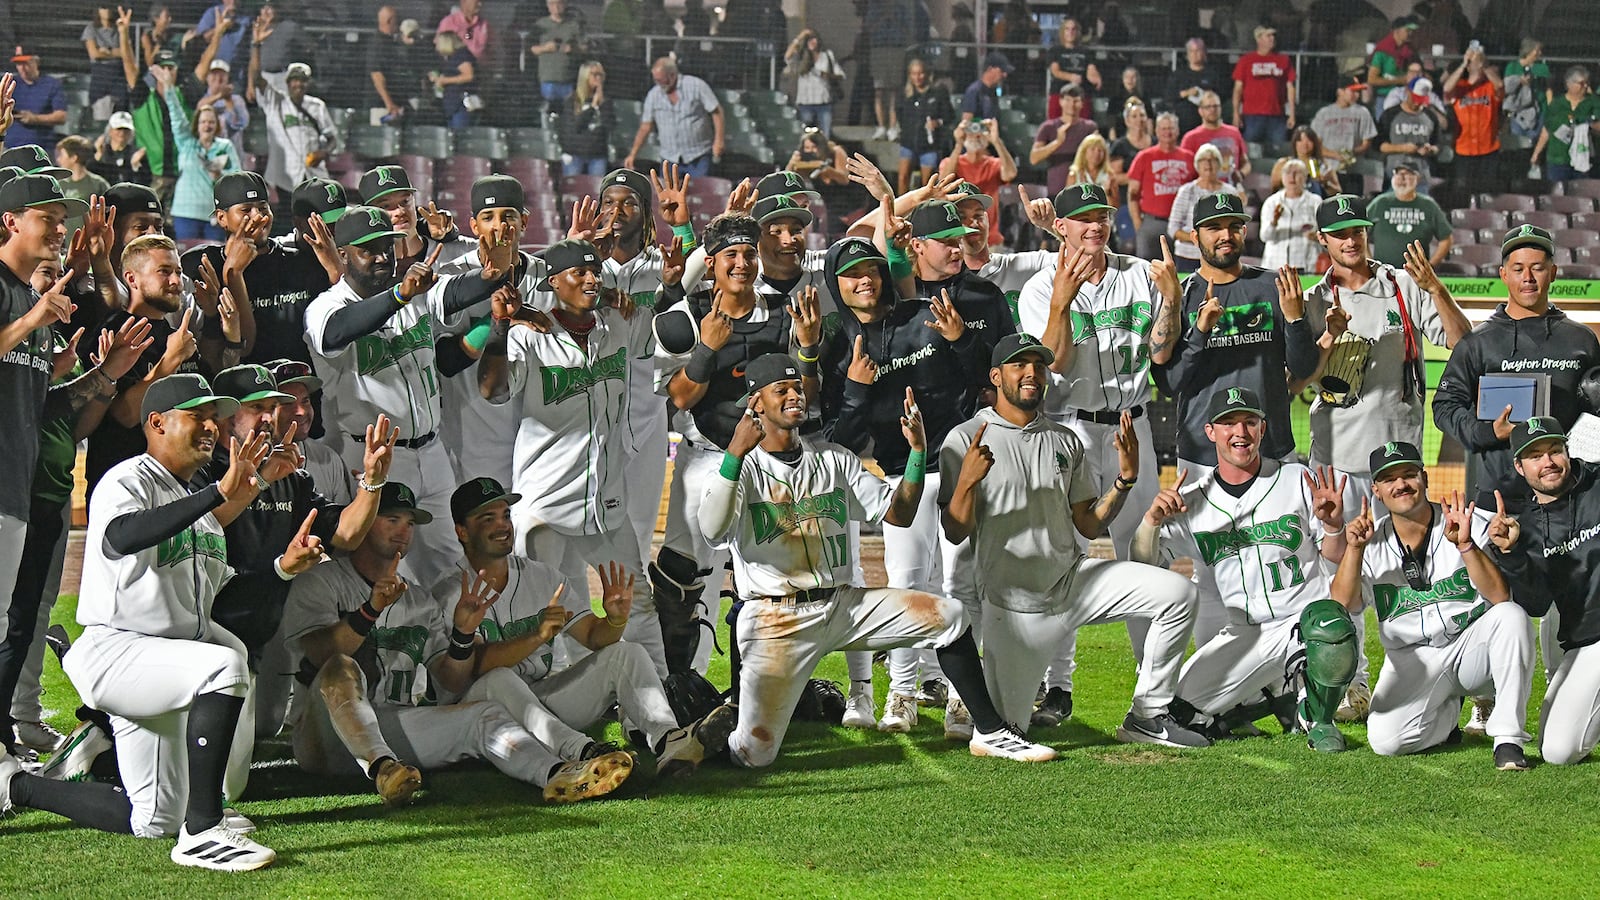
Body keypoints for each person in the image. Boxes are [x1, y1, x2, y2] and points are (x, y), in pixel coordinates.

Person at [696, 352, 1057, 766]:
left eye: (798, 389)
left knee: (951, 617)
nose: (795, 396)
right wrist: (734, 455)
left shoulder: (833, 459)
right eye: (782, 390)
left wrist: (918, 454)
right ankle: (706, 733)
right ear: (755, 404)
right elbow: (713, 529)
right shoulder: (738, 469)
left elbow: (899, 514)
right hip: (775, 618)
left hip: (843, 604)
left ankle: (992, 732)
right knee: (754, 755)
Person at [0, 373, 298, 869]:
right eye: (196, 415)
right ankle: (204, 829)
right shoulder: (128, 478)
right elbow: (121, 536)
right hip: (121, 651)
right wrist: (215, 494)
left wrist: (263, 494)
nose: (210, 426)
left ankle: (15, 785)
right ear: (156, 422)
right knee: (224, 664)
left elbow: (205, 532)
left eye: (213, 417)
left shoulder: (187, 493)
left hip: (158, 662)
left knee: (154, 818)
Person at [281, 480, 636, 804]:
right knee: (342, 666)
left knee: (485, 716)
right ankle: (382, 767)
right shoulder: (322, 582)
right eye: (391, 519)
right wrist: (369, 611)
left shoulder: (419, 599)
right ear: (364, 521)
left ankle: (557, 773)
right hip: (324, 738)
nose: (403, 531)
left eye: (409, 523)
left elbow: (451, 679)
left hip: (391, 726)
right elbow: (324, 655)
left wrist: (463, 634)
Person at [941, 333, 1207, 747]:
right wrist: (968, 482)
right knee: (1006, 733)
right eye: (1019, 365)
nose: (1032, 373)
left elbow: (1087, 524)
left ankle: (1148, 715)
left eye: (1039, 365)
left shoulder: (1065, 441)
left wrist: (1124, 481)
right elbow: (954, 530)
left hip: (1073, 583)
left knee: (1177, 594)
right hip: (1015, 610)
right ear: (996, 376)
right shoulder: (964, 439)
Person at [1012, 185, 1184, 715]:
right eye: (1082, 219)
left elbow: (1163, 349)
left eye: (1102, 216)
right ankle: (1056, 686)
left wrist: (1173, 303)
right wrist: (1063, 301)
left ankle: (1153, 684)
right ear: (1059, 227)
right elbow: (1053, 365)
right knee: (1064, 557)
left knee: (1148, 552)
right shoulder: (1040, 288)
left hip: (1134, 427)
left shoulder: (1140, 274)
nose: (1095, 226)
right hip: (1070, 430)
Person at [428, 477, 705, 775]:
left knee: (627, 653)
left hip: (541, 706)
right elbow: (476, 668)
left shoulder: (543, 577)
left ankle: (668, 739)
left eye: (505, 515)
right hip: (482, 717)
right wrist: (537, 636)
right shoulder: (449, 592)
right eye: (488, 519)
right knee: (500, 679)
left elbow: (594, 637)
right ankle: (583, 751)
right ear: (462, 531)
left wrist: (614, 619)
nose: (502, 525)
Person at [475, 237, 662, 671]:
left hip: (606, 501)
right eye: (579, 273)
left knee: (637, 601)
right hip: (545, 502)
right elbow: (493, 390)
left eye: (595, 271)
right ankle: (537, 698)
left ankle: (662, 696)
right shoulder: (530, 334)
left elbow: (666, 328)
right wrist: (502, 328)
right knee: (537, 609)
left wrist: (662, 286)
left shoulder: (617, 323)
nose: (591, 279)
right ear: (554, 282)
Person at [1135, 387, 1357, 752]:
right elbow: (1145, 567)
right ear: (1211, 432)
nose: (1240, 432)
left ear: (1262, 428)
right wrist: (1150, 522)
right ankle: (1267, 698)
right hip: (1245, 634)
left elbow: (1334, 556)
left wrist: (1333, 525)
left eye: (1249, 422)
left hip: (1303, 624)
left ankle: (1317, 718)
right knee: (1179, 713)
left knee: (1329, 622)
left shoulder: (1296, 478)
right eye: (1228, 424)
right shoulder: (1192, 501)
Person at [304, 206, 510, 586]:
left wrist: (493, 271)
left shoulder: (415, 293)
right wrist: (398, 295)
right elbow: (336, 332)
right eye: (370, 250)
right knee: (380, 565)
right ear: (344, 253)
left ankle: (449, 641)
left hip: (433, 454)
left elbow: (464, 290)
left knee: (451, 565)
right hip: (377, 458)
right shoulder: (326, 306)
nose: (383, 256)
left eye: (388, 246)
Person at [1332, 443, 1534, 770]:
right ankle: (1447, 716)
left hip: (1472, 647)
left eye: (1409, 474)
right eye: (1389, 479)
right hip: (1411, 658)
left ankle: (1508, 739)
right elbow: (1343, 604)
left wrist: (1466, 545)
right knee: (1387, 742)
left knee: (1512, 618)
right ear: (1377, 490)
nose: (1401, 485)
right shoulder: (1371, 544)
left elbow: (1499, 597)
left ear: (1424, 478)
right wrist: (1353, 550)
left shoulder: (1466, 521)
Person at [1433, 225, 1600, 509]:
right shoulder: (1478, 343)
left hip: (1571, 497)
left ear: (1554, 272)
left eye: (1538, 268)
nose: (1528, 278)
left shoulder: (1581, 339)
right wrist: (1487, 433)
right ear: (1503, 274)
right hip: (1499, 500)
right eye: (1519, 268)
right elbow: (1445, 407)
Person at [1153, 195, 1318, 473]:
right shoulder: (1180, 296)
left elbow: (1303, 368)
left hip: (1271, 449)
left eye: (1233, 226)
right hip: (1202, 458)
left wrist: (1295, 318)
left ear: (1244, 232)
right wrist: (1200, 331)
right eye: (1214, 227)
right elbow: (1170, 383)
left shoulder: (1273, 286)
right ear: (1194, 237)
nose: (1225, 235)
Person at [1489, 418, 1600, 765]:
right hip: (1587, 640)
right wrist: (1512, 554)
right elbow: (1536, 605)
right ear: (1520, 467)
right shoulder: (1527, 527)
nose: (1548, 461)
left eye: (1555, 450)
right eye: (1535, 456)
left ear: (1568, 451)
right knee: (1557, 750)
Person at [249, 49, 339, 208]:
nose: (298, 84)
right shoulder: (276, 102)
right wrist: (256, 45)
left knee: (315, 218)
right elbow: (257, 78)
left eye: (302, 80)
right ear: (288, 82)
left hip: (314, 174)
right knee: (289, 220)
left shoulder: (317, 106)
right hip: (286, 176)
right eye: (294, 80)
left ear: (308, 83)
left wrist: (324, 152)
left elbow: (332, 137)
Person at [624, 57, 724, 177]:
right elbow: (645, 126)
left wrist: (719, 140)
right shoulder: (653, 95)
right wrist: (633, 154)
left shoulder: (696, 86)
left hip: (698, 156)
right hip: (669, 159)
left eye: (661, 80)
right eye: (656, 80)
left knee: (702, 193)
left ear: (672, 75)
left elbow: (716, 111)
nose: (658, 83)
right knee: (667, 194)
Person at [165, 91, 240, 242]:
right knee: (187, 259)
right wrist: (168, 88)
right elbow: (177, 117)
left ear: (217, 125)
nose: (207, 125)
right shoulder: (186, 143)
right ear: (197, 125)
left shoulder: (225, 147)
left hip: (214, 215)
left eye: (211, 122)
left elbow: (237, 176)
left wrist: (220, 175)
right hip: (185, 214)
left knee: (214, 259)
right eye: (203, 122)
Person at [1126, 112, 1195, 260]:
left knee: (1180, 271)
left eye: (1171, 128)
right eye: (1163, 129)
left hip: (1182, 225)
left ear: (1177, 131)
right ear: (1156, 131)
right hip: (1152, 223)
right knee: (1147, 269)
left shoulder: (1190, 158)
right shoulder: (1144, 157)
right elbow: (1133, 194)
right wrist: (1138, 224)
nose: (1167, 132)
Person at [1168, 144, 1246, 274]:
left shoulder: (1230, 191)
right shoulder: (1187, 191)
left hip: (1221, 254)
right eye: (1203, 160)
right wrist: (1202, 240)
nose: (1208, 164)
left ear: (1220, 164)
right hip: (1188, 255)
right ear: (1197, 165)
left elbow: (1238, 223)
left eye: (1213, 160)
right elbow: (1173, 229)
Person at [939, 119, 1017, 248]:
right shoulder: (951, 162)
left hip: (990, 240)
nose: (976, 135)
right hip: (959, 239)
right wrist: (958, 143)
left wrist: (997, 141)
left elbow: (1010, 174)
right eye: (971, 130)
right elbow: (943, 181)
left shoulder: (993, 164)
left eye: (980, 131)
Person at [1365, 160, 1452, 268]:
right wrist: (1370, 264)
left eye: (1407, 174)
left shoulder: (1428, 205)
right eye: (1398, 174)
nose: (1402, 178)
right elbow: (1359, 232)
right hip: (1384, 275)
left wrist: (1431, 266)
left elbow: (1446, 238)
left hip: (1416, 276)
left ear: (1418, 179)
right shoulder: (1380, 202)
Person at [1443, 43, 1503, 197]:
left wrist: (1485, 66)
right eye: (1474, 62)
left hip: (1488, 148)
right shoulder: (1460, 86)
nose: (1477, 64)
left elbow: (1500, 85)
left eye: (1479, 61)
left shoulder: (1489, 87)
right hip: (1464, 148)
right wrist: (1464, 63)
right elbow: (1446, 89)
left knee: (1487, 193)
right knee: (1463, 192)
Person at [1531, 66, 1599, 183]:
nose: (1586, 86)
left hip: (1585, 159)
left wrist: (1587, 125)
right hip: (1558, 159)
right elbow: (1547, 129)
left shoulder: (1594, 102)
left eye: (1587, 83)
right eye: (1582, 83)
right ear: (1570, 84)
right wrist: (1536, 153)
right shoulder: (1557, 104)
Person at [1231, 25, 1296, 147]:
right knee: (1250, 150)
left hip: (1277, 116)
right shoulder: (1246, 60)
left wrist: (1292, 113)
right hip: (1252, 116)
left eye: (1273, 35)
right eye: (1268, 35)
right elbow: (1238, 89)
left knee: (1279, 150)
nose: (1272, 38)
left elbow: (1290, 87)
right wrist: (1236, 113)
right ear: (1259, 39)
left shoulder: (1284, 60)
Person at [1030, 85, 1099, 197]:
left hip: (1083, 191)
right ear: (1061, 101)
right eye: (1067, 100)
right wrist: (1057, 142)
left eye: (1076, 101)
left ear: (1082, 103)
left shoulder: (1090, 127)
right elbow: (1034, 158)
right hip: (1056, 192)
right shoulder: (1048, 127)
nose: (1072, 105)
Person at [895, 57, 951, 195]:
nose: (918, 77)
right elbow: (900, 115)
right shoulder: (905, 94)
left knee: (928, 184)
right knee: (902, 178)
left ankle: (925, 211)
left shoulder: (937, 93)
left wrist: (937, 123)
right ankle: (900, 210)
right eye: (914, 74)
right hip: (908, 143)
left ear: (926, 74)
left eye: (920, 73)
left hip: (929, 146)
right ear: (910, 75)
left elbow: (949, 116)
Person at [1378, 77, 1448, 185]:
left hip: (1422, 174)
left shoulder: (1430, 116)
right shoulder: (1390, 115)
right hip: (1394, 173)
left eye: (1421, 100)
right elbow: (1379, 145)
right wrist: (1402, 148)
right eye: (1415, 98)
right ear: (1407, 91)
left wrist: (1430, 149)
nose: (1417, 103)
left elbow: (1438, 144)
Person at [557, 61, 615, 177]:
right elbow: (576, 126)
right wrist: (592, 107)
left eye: (601, 75)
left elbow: (610, 126)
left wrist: (602, 103)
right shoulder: (572, 101)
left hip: (597, 154)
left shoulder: (606, 102)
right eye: (595, 74)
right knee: (573, 191)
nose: (598, 78)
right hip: (575, 154)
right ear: (585, 76)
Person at [1259, 161, 1320, 269]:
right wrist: (1274, 222)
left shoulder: (1315, 202)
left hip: (1306, 264)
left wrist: (1316, 237)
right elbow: (1264, 236)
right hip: (1275, 265)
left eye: (1297, 173)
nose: (1292, 176)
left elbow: (1325, 236)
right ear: (1282, 177)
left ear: (1305, 177)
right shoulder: (1272, 202)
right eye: (1287, 173)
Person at [784, 28, 843, 137]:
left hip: (823, 103)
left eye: (813, 39)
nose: (812, 42)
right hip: (806, 103)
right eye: (808, 40)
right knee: (807, 135)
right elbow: (787, 56)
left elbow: (840, 75)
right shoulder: (801, 56)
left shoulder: (827, 55)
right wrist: (800, 36)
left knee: (826, 135)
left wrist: (827, 75)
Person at [1180, 91, 1249, 184]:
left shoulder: (1234, 133)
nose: (1212, 110)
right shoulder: (1190, 138)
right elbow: (1183, 170)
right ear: (1200, 111)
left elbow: (1246, 163)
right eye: (1208, 107)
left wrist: (1241, 174)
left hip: (1231, 189)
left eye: (1216, 106)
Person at [6, 47, 65, 153]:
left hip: (41, 150)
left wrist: (35, 119)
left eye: (26, 63)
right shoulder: (9, 83)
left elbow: (61, 116)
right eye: (19, 64)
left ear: (36, 62)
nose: (22, 68)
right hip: (10, 148)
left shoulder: (51, 84)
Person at [1309, 75, 1377, 163]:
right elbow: (1315, 144)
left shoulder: (1362, 112)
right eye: (1353, 91)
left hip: (1354, 168)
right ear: (1340, 92)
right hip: (1328, 168)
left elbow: (1366, 143)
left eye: (1358, 91)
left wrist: (1351, 153)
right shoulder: (1324, 113)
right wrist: (1335, 155)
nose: (1357, 95)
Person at [530, 0, 585, 104]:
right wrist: (545, 48)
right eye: (552, 4)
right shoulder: (540, 25)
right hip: (548, 79)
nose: (556, 7)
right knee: (549, 112)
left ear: (565, 4)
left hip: (568, 79)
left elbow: (584, 47)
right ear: (547, 6)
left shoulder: (574, 25)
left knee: (568, 113)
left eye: (559, 3)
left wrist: (573, 49)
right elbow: (532, 49)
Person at [1046, 18, 1101, 121]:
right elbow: (1055, 71)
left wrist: (1095, 77)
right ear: (1063, 32)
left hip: (1081, 94)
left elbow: (1091, 68)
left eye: (1073, 29)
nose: (1070, 32)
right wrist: (1071, 77)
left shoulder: (1086, 51)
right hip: (1059, 93)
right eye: (1067, 29)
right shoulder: (1055, 51)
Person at [1169, 37, 1225, 136]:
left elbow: (1223, 94)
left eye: (1198, 50)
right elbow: (1168, 96)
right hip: (1184, 125)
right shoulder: (1178, 74)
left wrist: (1209, 95)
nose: (1195, 54)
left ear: (1204, 53)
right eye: (1192, 51)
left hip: (1208, 125)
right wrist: (1186, 93)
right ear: (1187, 54)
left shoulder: (1213, 73)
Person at [83, 6, 129, 120]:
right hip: (100, 76)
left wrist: (106, 50)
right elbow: (94, 54)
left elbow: (126, 53)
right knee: (101, 117)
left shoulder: (120, 28)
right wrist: (115, 52)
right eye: (103, 7)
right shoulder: (91, 29)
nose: (107, 10)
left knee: (121, 116)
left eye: (109, 7)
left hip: (118, 75)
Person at [1269, 126, 1341, 197]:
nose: (1305, 144)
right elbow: (1274, 187)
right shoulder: (1284, 163)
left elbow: (1338, 192)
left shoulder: (1324, 165)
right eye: (1300, 140)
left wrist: (1325, 184)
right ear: (1295, 143)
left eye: (1309, 140)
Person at [1502, 38, 1550, 142]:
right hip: (1518, 111)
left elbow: (1548, 89)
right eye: (1537, 50)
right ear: (1529, 50)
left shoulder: (1542, 68)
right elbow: (1506, 87)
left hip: (1538, 111)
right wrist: (1519, 80)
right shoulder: (1512, 66)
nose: (1540, 53)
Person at [429, 30, 478, 130]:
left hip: (461, 103)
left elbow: (469, 75)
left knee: (460, 133)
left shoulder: (461, 56)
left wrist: (445, 80)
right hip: (451, 103)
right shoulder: (451, 57)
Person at [1367, 16, 1421, 108]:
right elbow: (1372, 79)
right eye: (1407, 30)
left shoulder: (1410, 51)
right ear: (1397, 31)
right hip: (1384, 97)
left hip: (1406, 98)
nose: (1411, 33)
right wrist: (1399, 80)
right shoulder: (1382, 51)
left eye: (1412, 31)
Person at [194, 59, 248, 148]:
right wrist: (219, 95)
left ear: (228, 78)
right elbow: (199, 109)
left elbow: (240, 124)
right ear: (207, 77)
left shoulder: (237, 100)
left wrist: (228, 100)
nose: (218, 78)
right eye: (214, 74)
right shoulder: (202, 100)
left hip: (232, 153)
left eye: (222, 74)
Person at [92, 112, 147, 186]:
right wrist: (97, 158)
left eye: (126, 129)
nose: (122, 133)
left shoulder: (136, 154)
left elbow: (144, 183)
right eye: (119, 129)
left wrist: (135, 166)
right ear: (110, 131)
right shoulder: (101, 151)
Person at [960, 52, 1010, 127]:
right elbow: (966, 123)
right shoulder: (974, 91)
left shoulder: (993, 92)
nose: (1005, 75)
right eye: (1001, 71)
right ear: (990, 69)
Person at [1068, 133, 1117, 203]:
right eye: (1093, 149)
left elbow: (1115, 206)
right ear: (1084, 152)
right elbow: (1068, 203)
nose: (1097, 153)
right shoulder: (1074, 175)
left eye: (1100, 150)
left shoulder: (1109, 176)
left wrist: (1107, 193)